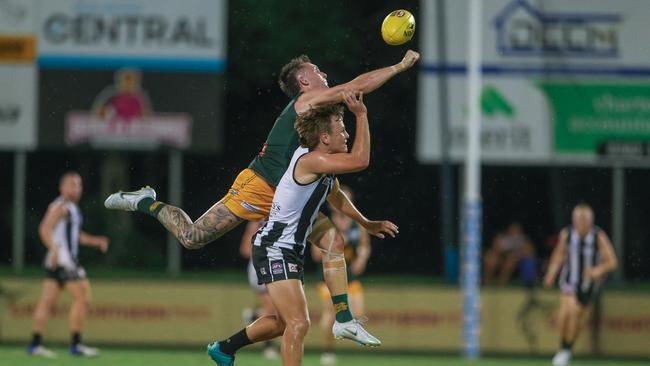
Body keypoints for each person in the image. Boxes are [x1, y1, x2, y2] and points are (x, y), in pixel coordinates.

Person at [105, 50, 419, 345]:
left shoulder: (318, 127)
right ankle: (146, 200)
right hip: (258, 187)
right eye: (315, 70)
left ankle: (344, 319)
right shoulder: (305, 100)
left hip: (286, 198)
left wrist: (364, 222)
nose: (323, 72)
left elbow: (332, 191)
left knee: (334, 243)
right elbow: (356, 86)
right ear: (304, 82)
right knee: (192, 237)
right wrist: (398, 67)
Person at [207, 91, 398, 366]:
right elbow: (361, 160)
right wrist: (361, 114)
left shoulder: (324, 166)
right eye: (342, 129)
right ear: (324, 138)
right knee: (299, 323)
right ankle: (344, 321)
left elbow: (335, 196)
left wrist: (365, 223)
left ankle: (225, 348)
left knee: (285, 320)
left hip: (288, 248)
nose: (346, 134)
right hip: (275, 248)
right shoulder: (310, 160)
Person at [27, 172, 110, 358]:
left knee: (47, 303)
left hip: (56, 261)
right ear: (62, 188)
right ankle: (75, 345)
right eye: (72, 184)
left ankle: (35, 344)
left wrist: (96, 241)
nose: (77, 188)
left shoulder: (71, 208)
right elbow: (44, 229)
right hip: (64, 261)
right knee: (83, 299)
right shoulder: (62, 206)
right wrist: (55, 250)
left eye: (78, 184)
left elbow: (75, 236)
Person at [543, 203, 618, 366]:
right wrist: (551, 273)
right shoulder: (567, 234)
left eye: (585, 219)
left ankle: (566, 349)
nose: (582, 222)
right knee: (565, 314)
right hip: (569, 280)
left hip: (587, 285)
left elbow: (612, 262)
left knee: (576, 315)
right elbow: (558, 255)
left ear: (591, 220)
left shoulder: (598, 236)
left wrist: (597, 270)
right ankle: (563, 348)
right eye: (579, 219)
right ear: (574, 220)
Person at [311, 185, 371, 365]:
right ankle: (328, 351)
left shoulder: (356, 224)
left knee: (359, 313)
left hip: (350, 277)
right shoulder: (325, 223)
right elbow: (315, 255)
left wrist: (362, 259)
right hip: (329, 278)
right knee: (332, 313)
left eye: (347, 201)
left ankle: (344, 331)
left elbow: (365, 245)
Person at [239, 221, 279, 360]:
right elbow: (244, 250)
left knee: (279, 310)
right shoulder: (256, 222)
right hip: (259, 267)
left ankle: (254, 316)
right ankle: (268, 347)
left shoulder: (281, 217)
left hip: (277, 267)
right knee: (272, 310)